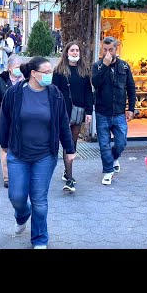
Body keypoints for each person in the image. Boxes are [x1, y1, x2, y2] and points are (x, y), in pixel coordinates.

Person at [0, 57, 74, 249]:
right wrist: (3, 144)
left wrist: (69, 149)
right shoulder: (15, 93)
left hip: (45, 156)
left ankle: (40, 239)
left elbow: (63, 122)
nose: (50, 76)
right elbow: (4, 118)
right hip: (18, 154)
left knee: (39, 201)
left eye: (51, 72)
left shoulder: (54, 94)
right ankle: (22, 215)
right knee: (17, 197)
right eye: (46, 72)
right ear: (33, 73)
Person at [92, 36, 136, 185]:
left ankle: (113, 157)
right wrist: (104, 65)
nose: (108, 53)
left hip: (119, 113)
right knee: (103, 144)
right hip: (102, 113)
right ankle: (108, 171)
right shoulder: (97, 66)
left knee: (121, 142)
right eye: (105, 50)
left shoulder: (124, 66)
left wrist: (131, 108)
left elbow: (131, 88)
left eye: (111, 49)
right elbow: (95, 83)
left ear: (116, 49)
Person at [52, 41, 94, 192]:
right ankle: (70, 179)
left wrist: (89, 112)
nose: (75, 53)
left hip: (79, 111)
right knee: (67, 142)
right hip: (63, 111)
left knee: (73, 142)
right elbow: (54, 92)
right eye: (72, 50)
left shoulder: (84, 71)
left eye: (77, 50)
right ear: (66, 52)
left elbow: (89, 92)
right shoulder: (59, 71)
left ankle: (67, 169)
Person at [0, 54, 24, 187]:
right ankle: (7, 177)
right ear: (9, 68)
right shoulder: (1, 82)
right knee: (5, 149)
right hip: (5, 121)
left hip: (23, 122)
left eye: (21, 67)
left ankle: (19, 174)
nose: (20, 70)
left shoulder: (27, 81)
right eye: (17, 67)